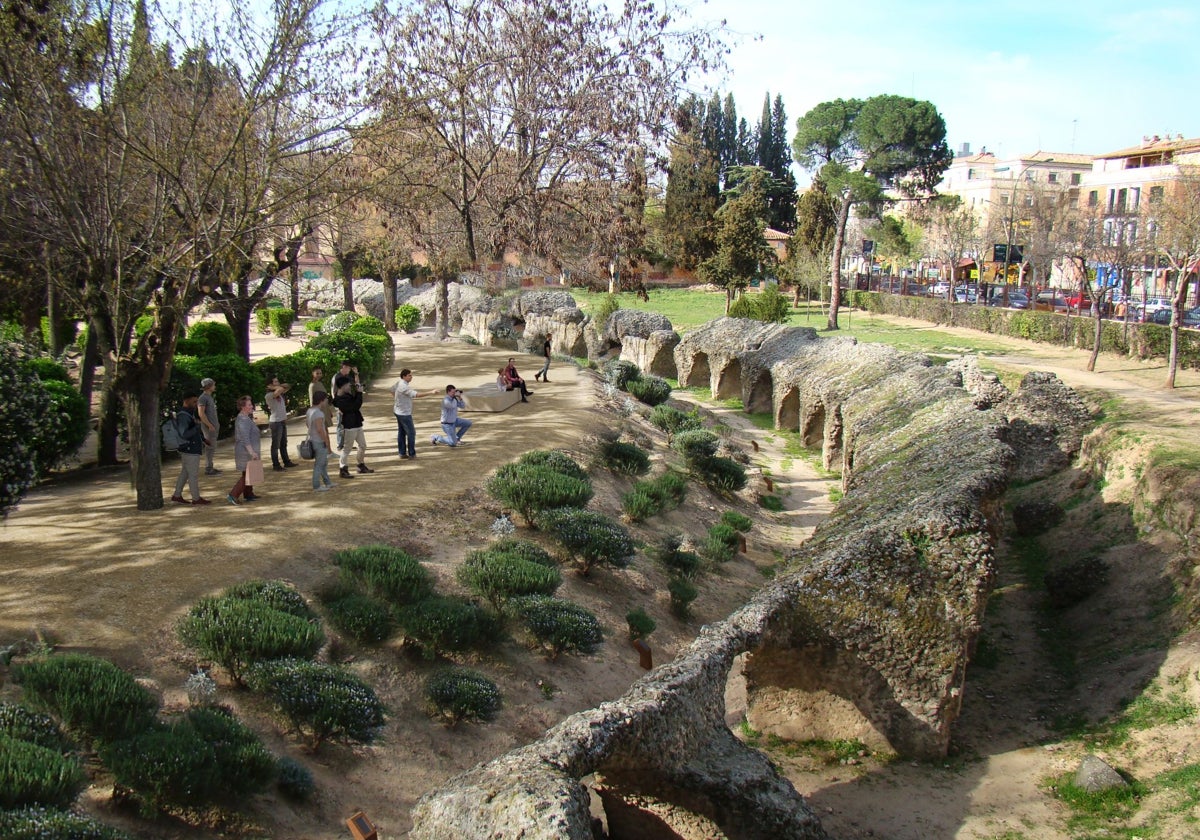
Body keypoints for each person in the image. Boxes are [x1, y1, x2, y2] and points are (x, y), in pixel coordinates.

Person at [171, 390, 211, 506]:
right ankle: (196, 498)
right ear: (186, 401)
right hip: (190, 449)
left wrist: (203, 440)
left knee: (185, 473)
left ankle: (177, 495)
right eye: (194, 401)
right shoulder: (184, 415)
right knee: (192, 475)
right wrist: (197, 427)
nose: (196, 403)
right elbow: (184, 434)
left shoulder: (187, 413)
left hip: (189, 448)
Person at [333, 374, 374, 477]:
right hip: (349, 426)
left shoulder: (346, 395)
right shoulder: (339, 399)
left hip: (357, 423)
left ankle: (360, 465)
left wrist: (357, 392)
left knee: (363, 445)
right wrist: (359, 394)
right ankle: (343, 469)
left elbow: (354, 404)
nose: (349, 387)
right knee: (347, 448)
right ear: (341, 386)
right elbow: (354, 407)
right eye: (347, 385)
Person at [389, 368, 434, 459]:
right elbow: (417, 395)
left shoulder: (399, 383)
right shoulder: (403, 386)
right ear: (404, 376)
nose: (411, 377)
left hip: (398, 411)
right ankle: (412, 453)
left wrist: (397, 399)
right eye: (409, 375)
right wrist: (431, 392)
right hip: (404, 413)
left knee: (401, 432)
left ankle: (402, 453)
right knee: (411, 433)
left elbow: (391, 390)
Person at [227, 395, 261, 505]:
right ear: (243, 407)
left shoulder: (245, 418)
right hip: (245, 451)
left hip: (245, 450)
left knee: (248, 472)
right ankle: (233, 495)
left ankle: (249, 493)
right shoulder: (243, 419)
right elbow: (245, 438)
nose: (252, 406)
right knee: (247, 474)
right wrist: (252, 452)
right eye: (249, 405)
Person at [265, 376, 296, 471]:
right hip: (275, 422)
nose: (278, 383)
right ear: (270, 384)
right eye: (275, 382)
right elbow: (280, 389)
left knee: (283, 443)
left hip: (282, 421)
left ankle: (286, 461)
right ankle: (276, 464)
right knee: (276, 445)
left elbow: (287, 386)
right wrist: (274, 387)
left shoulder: (279, 393)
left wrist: (275, 386)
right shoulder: (269, 395)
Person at [307, 391, 335, 491]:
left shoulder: (310, 410)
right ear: (321, 400)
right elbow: (320, 429)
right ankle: (316, 485)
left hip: (313, 439)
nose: (327, 401)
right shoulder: (318, 413)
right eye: (325, 399)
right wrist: (325, 441)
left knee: (323, 463)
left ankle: (327, 482)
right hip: (319, 441)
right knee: (319, 464)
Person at [198, 378, 220, 475]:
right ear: (208, 386)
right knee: (210, 447)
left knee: (212, 447)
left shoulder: (209, 397)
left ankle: (210, 466)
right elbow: (201, 413)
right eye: (213, 385)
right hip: (209, 427)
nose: (214, 386)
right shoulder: (203, 398)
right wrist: (209, 425)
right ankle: (208, 468)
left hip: (213, 426)